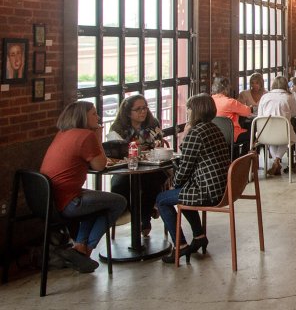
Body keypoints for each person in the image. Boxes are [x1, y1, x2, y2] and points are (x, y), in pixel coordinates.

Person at [40, 101, 127, 271]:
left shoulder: (63, 133)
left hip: (50, 200)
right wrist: (97, 138)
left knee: (95, 205)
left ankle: (79, 249)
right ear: (82, 117)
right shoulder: (86, 136)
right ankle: (87, 249)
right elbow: (100, 166)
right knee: (119, 202)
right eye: (94, 114)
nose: (99, 117)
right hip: (68, 201)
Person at [156, 94, 230, 265]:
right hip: (222, 188)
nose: (187, 112)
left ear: (195, 111)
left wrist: (173, 185)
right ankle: (199, 236)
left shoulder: (195, 133)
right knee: (184, 195)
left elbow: (184, 170)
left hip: (207, 192)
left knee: (161, 200)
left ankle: (180, 244)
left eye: (188, 109)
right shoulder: (214, 128)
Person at [107, 95, 168, 237]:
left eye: (145, 108)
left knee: (151, 182)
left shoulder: (153, 124)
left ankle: (144, 218)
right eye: (138, 109)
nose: (143, 112)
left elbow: (158, 144)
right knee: (119, 185)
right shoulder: (118, 129)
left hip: (151, 166)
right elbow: (115, 151)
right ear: (128, 112)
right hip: (126, 168)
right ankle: (138, 214)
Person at [257, 75, 296, 175]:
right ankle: (277, 161)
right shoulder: (289, 97)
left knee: (270, 140)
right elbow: (294, 113)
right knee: (286, 138)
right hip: (283, 131)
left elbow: (260, 115)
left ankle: (276, 163)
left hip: (266, 132)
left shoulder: (264, 97)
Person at [211, 76, 254, 154]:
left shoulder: (210, 100)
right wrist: (250, 108)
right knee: (252, 134)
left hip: (214, 135)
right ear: (226, 88)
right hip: (231, 135)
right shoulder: (230, 102)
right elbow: (247, 112)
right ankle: (243, 159)